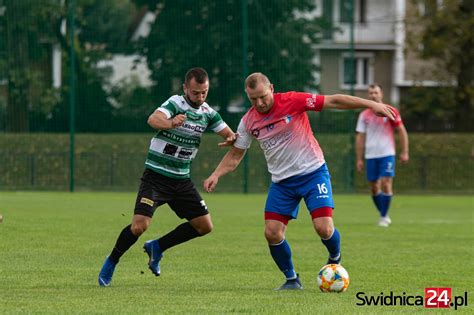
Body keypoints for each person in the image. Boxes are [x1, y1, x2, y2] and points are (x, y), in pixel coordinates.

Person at [203, 73, 396, 290]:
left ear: (272, 88)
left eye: (263, 97)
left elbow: (333, 100)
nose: (259, 103)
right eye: (253, 99)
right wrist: (216, 174)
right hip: (282, 183)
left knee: (323, 228)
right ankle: (292, 279)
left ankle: (335, 257)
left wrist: (370, 104)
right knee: (272, 233)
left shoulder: (293, 101)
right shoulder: (248, 121)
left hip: (313, 173)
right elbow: (236, 155)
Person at [98, 67, 236, 286]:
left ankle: (157, 247)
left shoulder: (208, 113)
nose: (200, 97)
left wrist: (231, 138)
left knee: (204, 226)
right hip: (156, 177)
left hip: (181, 180)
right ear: (185, 89)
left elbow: (229, 133)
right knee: (138, 226)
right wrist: (171, 122)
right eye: (195, 93)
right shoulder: (175, 103)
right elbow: (153, 120)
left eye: (204, 92)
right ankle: (112, 260)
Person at [355, 84, 409, 227]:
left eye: (376, 92)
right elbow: (360, 137)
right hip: (370, 155)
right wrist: (359, 158)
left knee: (386, 183)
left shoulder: (390, 111)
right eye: (371, 93)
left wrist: (405, 152)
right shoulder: (364, 115)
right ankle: (383, 213)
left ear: (381, 94)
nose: (373, 95)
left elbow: (401, 130)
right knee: (374, 187)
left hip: (387, 153)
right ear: (368, 95)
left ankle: (384, 216)